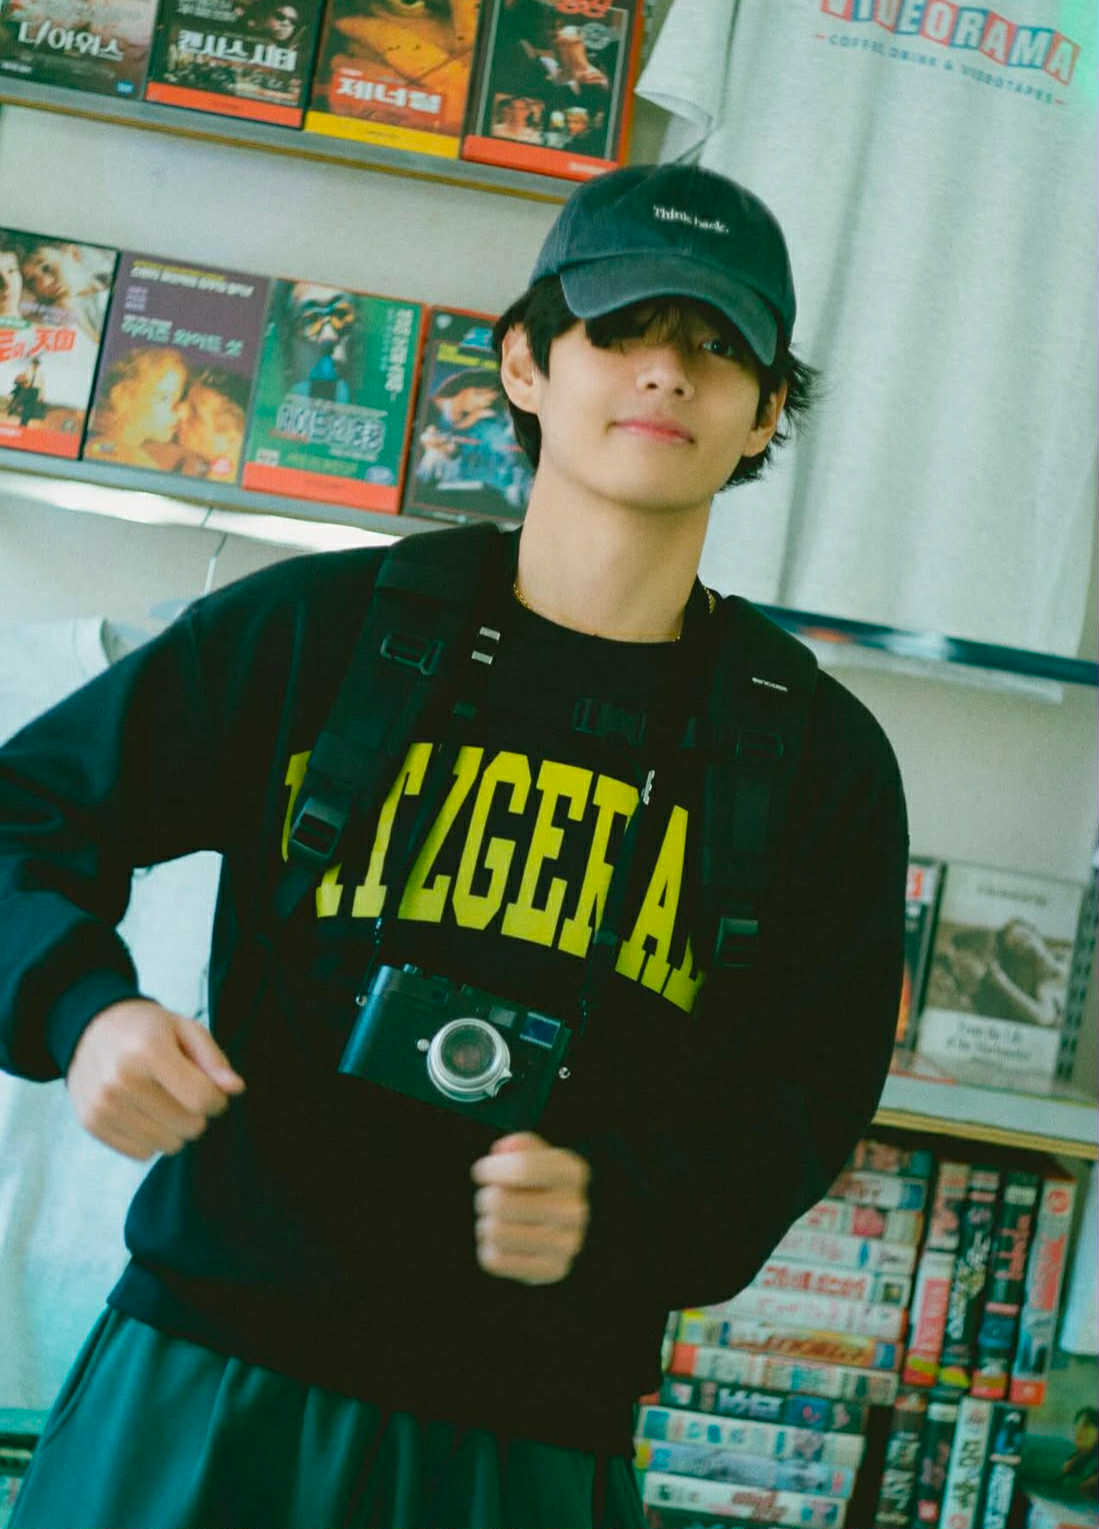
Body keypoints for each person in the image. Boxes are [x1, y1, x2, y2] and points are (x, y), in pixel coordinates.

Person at [0, 163, 908, 1529]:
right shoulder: (318, 635)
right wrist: (84, 1011)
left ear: (768, 409)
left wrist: (622, 1207)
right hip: (210, 1376)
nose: (668, 372)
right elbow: (23, 814)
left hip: (526, 1436)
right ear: (526, 362)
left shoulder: (817, 761)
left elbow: (804, 1097)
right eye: (624, 328)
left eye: (719, 347)